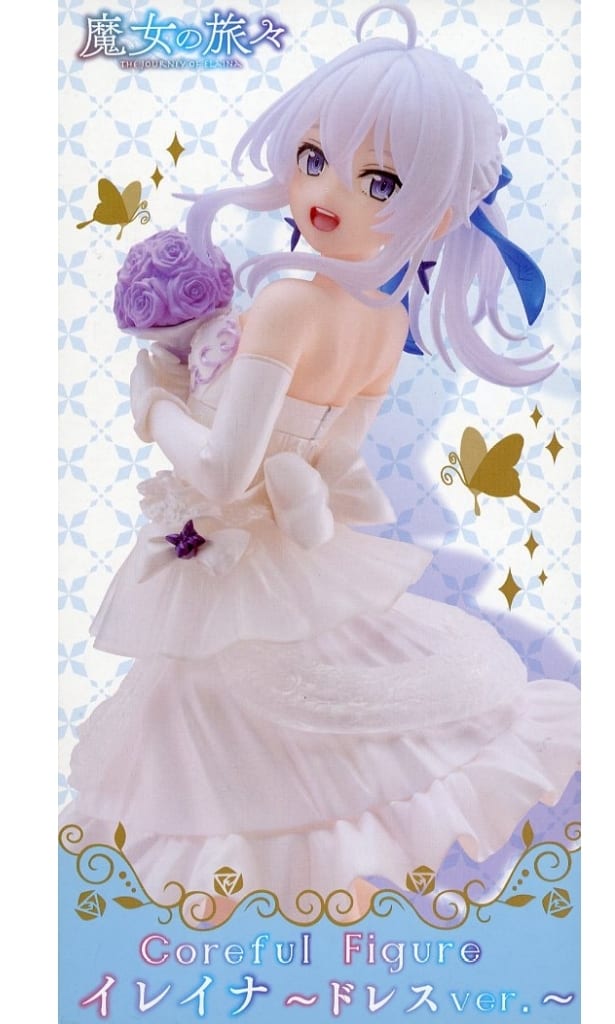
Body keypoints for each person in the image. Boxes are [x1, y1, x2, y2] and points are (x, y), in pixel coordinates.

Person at [62, 3, 579, 916]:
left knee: (209, 731)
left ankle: (257, 898)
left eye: (379, 180)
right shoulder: (386, 320)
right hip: (288, 547)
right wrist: (284, 487)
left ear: (439, 211)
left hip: (233, 544)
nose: (327, 192)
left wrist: (158, 404)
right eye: (313, 158)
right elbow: (337, 459)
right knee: (274, 725)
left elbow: (223, 474)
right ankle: (315, 894)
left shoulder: (293, 305)